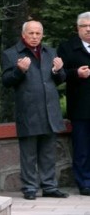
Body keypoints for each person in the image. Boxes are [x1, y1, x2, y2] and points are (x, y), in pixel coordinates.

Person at [1, 20, 69, 200]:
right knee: (29, 154)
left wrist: (58, 70)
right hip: (28, 110)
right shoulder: (11, 54)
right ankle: (30, 188)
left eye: (38, 33)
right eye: (31, 33)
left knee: (48, 152)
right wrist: (19, 70)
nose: (35, 37)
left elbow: (60, 79)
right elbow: (6, 81)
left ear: (42, 35)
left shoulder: (50, 52)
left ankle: (49, 186)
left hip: (49, 110)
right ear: (23, 35)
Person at [57, 12, 90, 196]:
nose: (89, 29)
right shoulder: (68, 47)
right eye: (85, 26)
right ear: (78, 28)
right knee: (82, 148)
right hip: (81, 107)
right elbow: (58, 74)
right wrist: (76, 73)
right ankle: (85, 182)